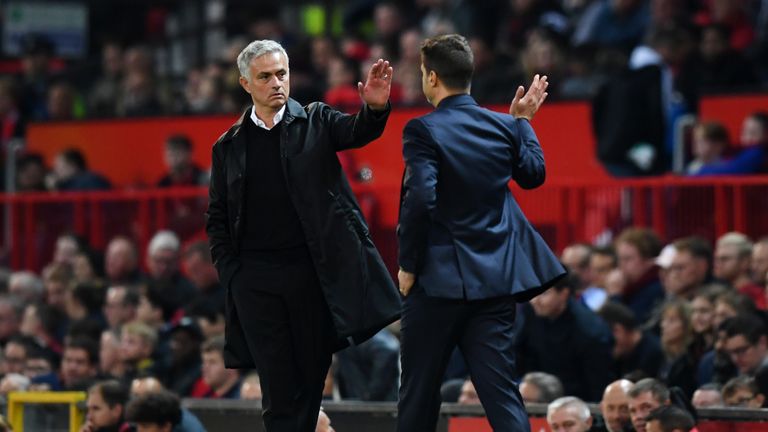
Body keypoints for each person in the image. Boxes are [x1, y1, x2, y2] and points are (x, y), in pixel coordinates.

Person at [205, 39, 400, 431]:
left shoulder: (318, 120)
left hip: (313, 276)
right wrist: (233, 274)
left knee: (311, 380)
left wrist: (375, 108)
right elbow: (218, 216)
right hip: (256, 281)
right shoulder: (228, 146)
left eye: (282, 74)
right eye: (265, 76)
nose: (277, 83)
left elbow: (356, 131)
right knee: (277, 388)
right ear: (246, 84)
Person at [396, 34, 566, 432]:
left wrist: (408, 264)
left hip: (436, 284)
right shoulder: (504, 126)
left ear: (432, 78)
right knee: (502, 392)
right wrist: (523, 122)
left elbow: (421, 199)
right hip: (495, 282)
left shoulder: (422, 130)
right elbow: (534, 175)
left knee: (419, 391)